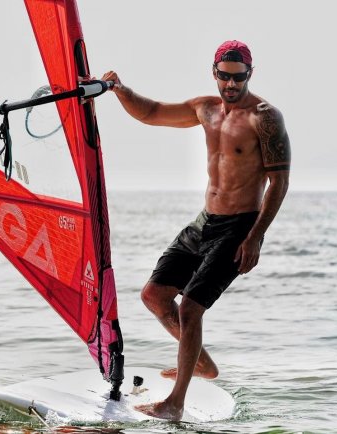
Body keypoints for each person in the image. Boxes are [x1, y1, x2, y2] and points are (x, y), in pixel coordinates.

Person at [102, 40, 290, 421]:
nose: (231, 85)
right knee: (154, 295)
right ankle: (202, 363)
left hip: (239, 226)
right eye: (225, 77)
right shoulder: (205, 109)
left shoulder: (265, 117)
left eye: (239, 78)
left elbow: (279, 182)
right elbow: (151, 112)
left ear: (250, 74)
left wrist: (255, 236)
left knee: (190, 308)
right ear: (214, 73)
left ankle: (175, 403)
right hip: (206, 221)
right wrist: (120, 90)